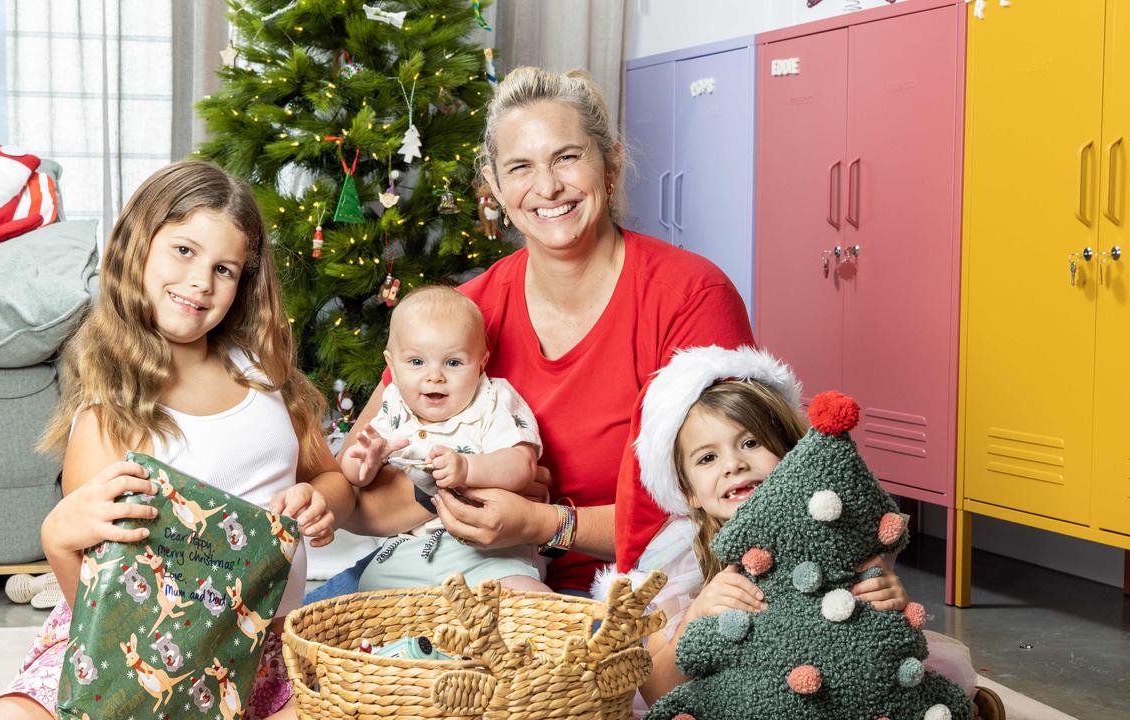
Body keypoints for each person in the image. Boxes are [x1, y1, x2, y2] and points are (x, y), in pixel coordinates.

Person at [310, 66, 754, 601]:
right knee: (294, 652)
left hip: (635, 593)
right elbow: (360, 493)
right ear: (494, 187)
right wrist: (471, 484)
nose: (547, 188)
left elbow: (730, 503)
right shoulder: (464, 316)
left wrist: (542, 522)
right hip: (447, 571)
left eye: (567, 157)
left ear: (610, 162)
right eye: (520, 167)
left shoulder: (689, 295)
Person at [0, 162, 352, 720]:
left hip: (263, 648)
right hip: (137, 648)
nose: (202, 281)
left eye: (224, 268)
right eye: (184, 251)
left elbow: (328, 475)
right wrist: (58, 544)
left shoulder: (263, 375)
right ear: (138, 248)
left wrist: (323, 500)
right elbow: (102, 605)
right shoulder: (109, 416)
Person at [605, 345, 1000, 719]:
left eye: (750, 442)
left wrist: (891, 596)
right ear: (687, 490)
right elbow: (657, 690)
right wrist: (697, 612)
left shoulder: (831, 530)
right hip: (744, 696)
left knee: (915, 686)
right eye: (708, 457)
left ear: (791, 454)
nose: (734, 464)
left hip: (835, 682)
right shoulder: (680, 559)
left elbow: (881, 633)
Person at [342, 285, 550, 592]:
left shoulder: (493, 400)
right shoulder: (395, 405)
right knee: (367, 596)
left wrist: (467, 469)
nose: (434, 375)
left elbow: (523, 465)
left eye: (453, 363)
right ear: (392, 365)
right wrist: (363, 464)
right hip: (411, 550)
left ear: (481, 362)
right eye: (416, 362)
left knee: (520, 593)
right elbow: (353, 478)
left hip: (489, 550)